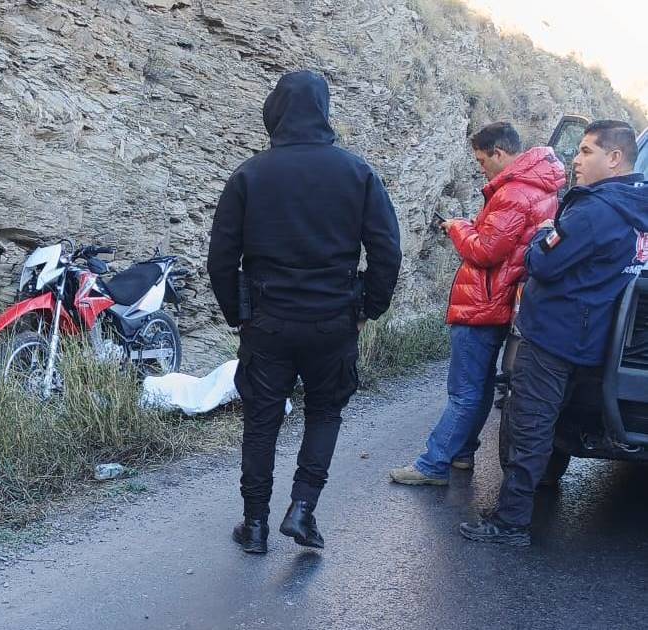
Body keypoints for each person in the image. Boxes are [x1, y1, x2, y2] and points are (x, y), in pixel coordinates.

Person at [207, 70, 401, 554]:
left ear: (276, 111)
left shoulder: (249, 175)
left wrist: (236, 314)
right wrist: (369, 308)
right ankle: (302, 509)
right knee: (325, 412)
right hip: (333, 321)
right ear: (323, 110)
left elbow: (221, 257)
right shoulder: (357, 173)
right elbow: (387, 251)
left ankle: (255, 525)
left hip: (267, 323)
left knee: (261, 421)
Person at [461, 119, 648, 546]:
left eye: (586, 151)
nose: (575, 160)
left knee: (530, 425)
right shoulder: (635, 208)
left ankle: (510, 523)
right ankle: (518, 509)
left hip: (554, 337)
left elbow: (542, 262)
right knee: (546, 423)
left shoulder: (595, 212)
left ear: (614, 158)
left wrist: (543, 235)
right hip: (594, 339)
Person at [390, 123, 565, 486]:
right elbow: (506, 242)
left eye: (482, 160)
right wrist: (474, 227)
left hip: (482, 303)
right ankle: (462, 452)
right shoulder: (540, 187)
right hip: (502, 301)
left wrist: (457, 228)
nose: (481, 168)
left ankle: (433, 464)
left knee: (464, 392)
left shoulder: (514, 192)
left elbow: (485, 251)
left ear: (499, 153)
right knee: (480, 385)